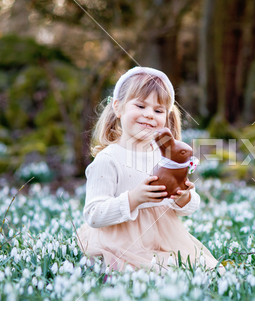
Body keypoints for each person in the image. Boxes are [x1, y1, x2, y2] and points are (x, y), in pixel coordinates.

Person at [76, 66, 222, 274]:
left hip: (164, 239)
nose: (149, 115)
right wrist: (134, 198)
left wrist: (184, 198)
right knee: (148, 271)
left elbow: (187, 205)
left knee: (198, 269)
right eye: (141, 106)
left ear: (167, 116)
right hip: (120, 241)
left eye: (158, 110)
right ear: (118, 107)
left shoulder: (166, 156)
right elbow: (94, 214)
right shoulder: (108, 159)